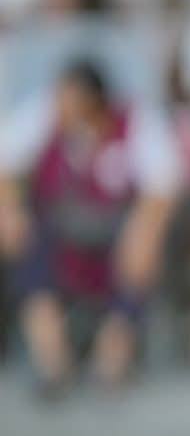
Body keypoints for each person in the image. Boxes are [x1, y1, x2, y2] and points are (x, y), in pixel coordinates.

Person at [0, 60, 180, 395]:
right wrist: (9, 210)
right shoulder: (46, 115)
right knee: (28, 253)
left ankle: (111, 362)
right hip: (58, 230)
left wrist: (144, 230)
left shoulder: (135, 123)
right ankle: (53, 364)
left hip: (116, 231)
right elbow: (5, 162)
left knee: (141, 256)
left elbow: (163, 185)